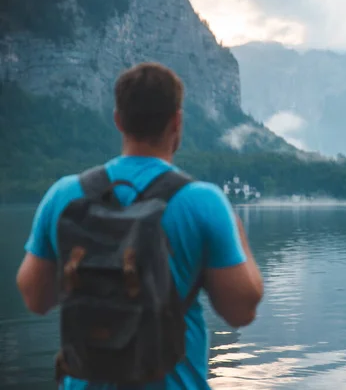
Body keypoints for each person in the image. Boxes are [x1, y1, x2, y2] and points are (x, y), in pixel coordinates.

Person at [15, 62, 264, 389]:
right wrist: (238, 232)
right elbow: (241, 311)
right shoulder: (203, 202)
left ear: (118, 120)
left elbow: (35, 299)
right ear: (177, 122)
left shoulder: (63, 194)